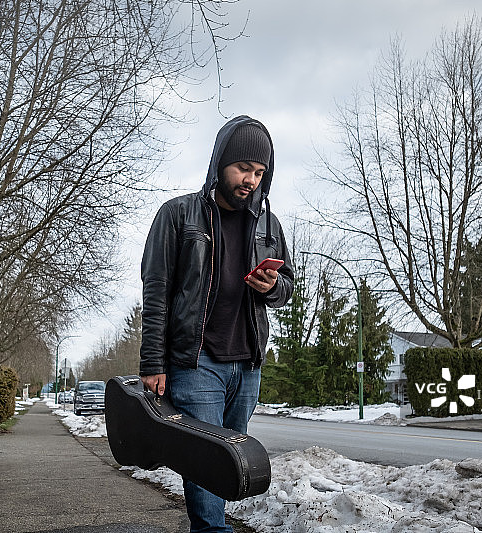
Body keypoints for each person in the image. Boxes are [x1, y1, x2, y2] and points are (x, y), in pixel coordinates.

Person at [139, 115, 294, 533]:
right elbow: (156, 293)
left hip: (247, 365)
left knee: (227, 464)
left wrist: (270, 286)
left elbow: (287, 291)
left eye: (259, 173)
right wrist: (152, 362)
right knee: (207, 462)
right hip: (196, 362)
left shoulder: (268, 225)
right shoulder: (177, 215)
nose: (251, 180)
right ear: (220, 162)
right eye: (243, 168)